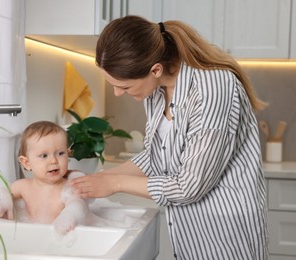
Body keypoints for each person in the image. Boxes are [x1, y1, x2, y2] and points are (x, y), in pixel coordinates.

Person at [70, 15, 268, 259]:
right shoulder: (156, 91)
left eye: (125, 86)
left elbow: (189, 186)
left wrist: (115, 184)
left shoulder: (213, 88)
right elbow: (156, 156)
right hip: (189, 231)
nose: (117, 93)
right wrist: (98, 178)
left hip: (227, 234)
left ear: (155, 69)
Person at [0, 121, 91, 235]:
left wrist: (71, 214)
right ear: (26, 163)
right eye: (44, 155)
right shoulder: (23, 186)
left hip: (59, 239)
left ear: (68, 154)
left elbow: (77, 206)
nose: (53, 161)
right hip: (31, 238)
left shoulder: (69, 188)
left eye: (60, 153)